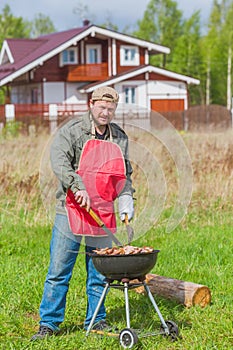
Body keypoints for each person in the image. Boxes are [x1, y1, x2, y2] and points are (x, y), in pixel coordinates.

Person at [31, 86, 135, 340]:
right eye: (102, 107)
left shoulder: (119, 137)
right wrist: (77, 186)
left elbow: (124, 173)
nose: (106, 113)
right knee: (59, 270)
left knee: (99, 271)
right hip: (71, 210)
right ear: (91, 104)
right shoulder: (73, 130)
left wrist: (125, 197)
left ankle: (97, 320)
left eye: (111, 109)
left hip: (103, 213)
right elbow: (59, 160)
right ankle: (49, 323)